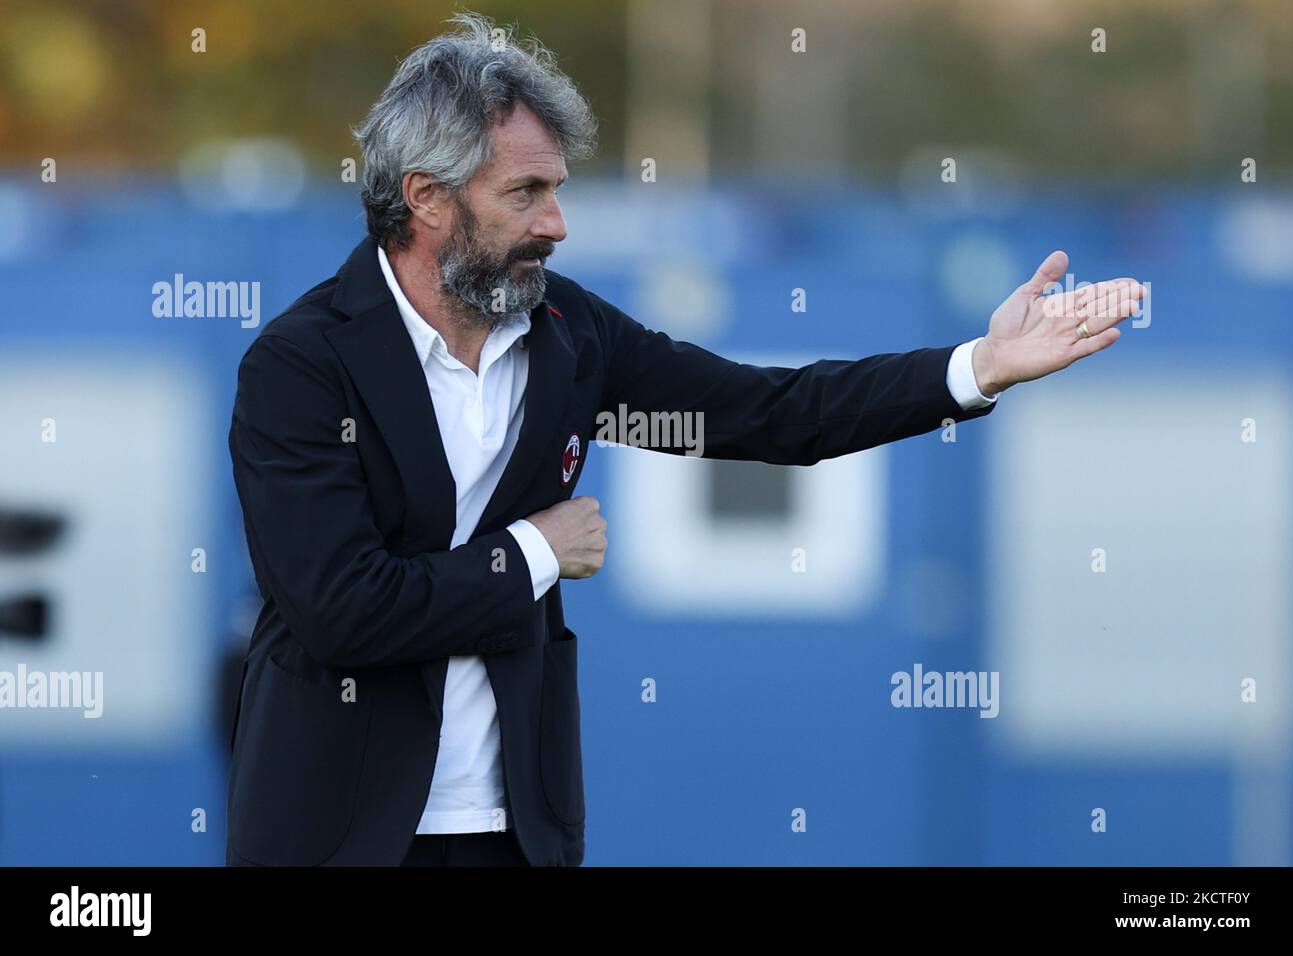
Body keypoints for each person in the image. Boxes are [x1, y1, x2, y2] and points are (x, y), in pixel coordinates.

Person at [224, 12, 1143, 867]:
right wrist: (538, 551)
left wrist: (976, 365)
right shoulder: (300, 367)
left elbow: (771, 412)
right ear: (425, 198)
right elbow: (343, 611)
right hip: (335, 837)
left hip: (520, 834)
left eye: (557, 189)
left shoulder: (569, 336)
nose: (556, 222)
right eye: (526, 192)